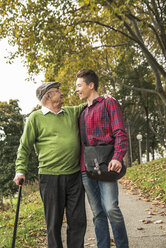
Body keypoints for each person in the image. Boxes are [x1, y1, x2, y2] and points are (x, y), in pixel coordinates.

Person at [13, 81, 86, 248]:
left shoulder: (70, 112)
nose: (61, 93)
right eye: (57, 91)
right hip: (50, 176)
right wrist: (20, 170)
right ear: (48, 95)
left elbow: (88, 104)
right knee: (53, 223)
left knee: (78, 221)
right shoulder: (35, 118)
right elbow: (24, 147)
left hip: (74, 176)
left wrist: (103, 98)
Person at [75, 69, 129, 248]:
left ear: (91, 85)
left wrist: (118, 157)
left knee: (111, 209)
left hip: (107, 165)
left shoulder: (109, 102)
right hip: (86, 169)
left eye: (79, 85)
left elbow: (120, 132)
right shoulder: (81, 112)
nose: (76, 89)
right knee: (98, 213)